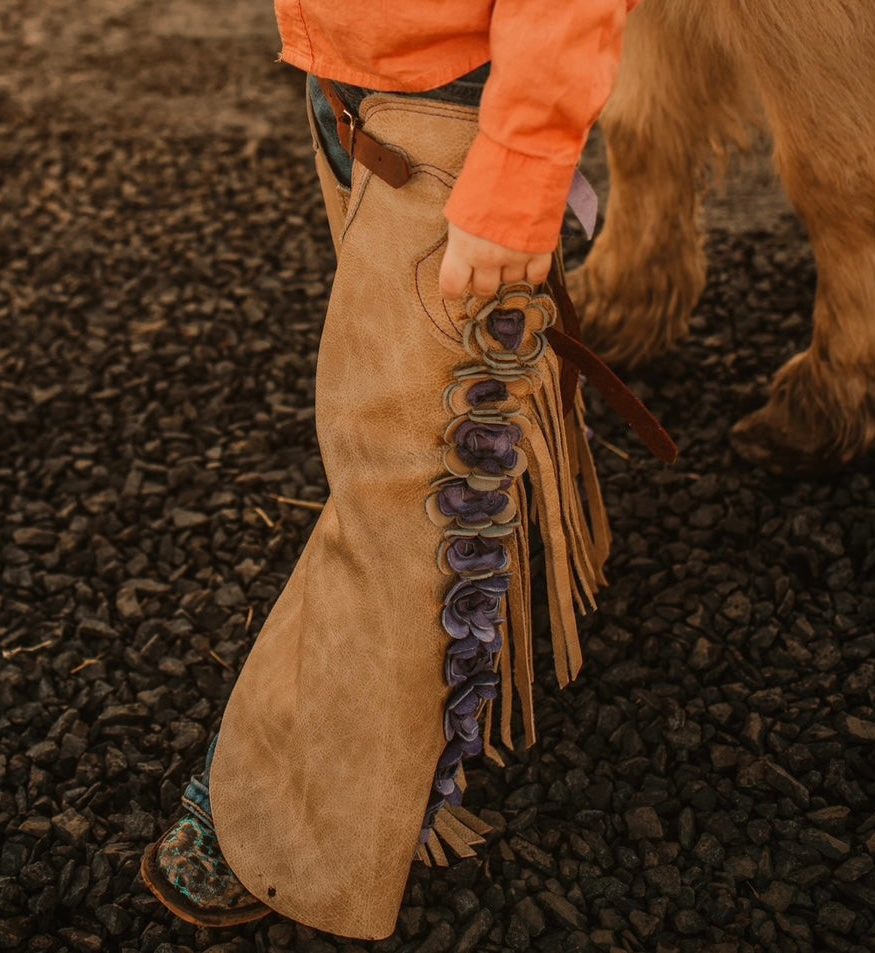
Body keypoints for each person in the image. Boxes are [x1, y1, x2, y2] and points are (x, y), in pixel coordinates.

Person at [141, 0, 644, 940]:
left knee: (403, 477)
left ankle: (289, 820)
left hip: (455, 112)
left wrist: (522, 168)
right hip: (357, 83)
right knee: (414, 436)